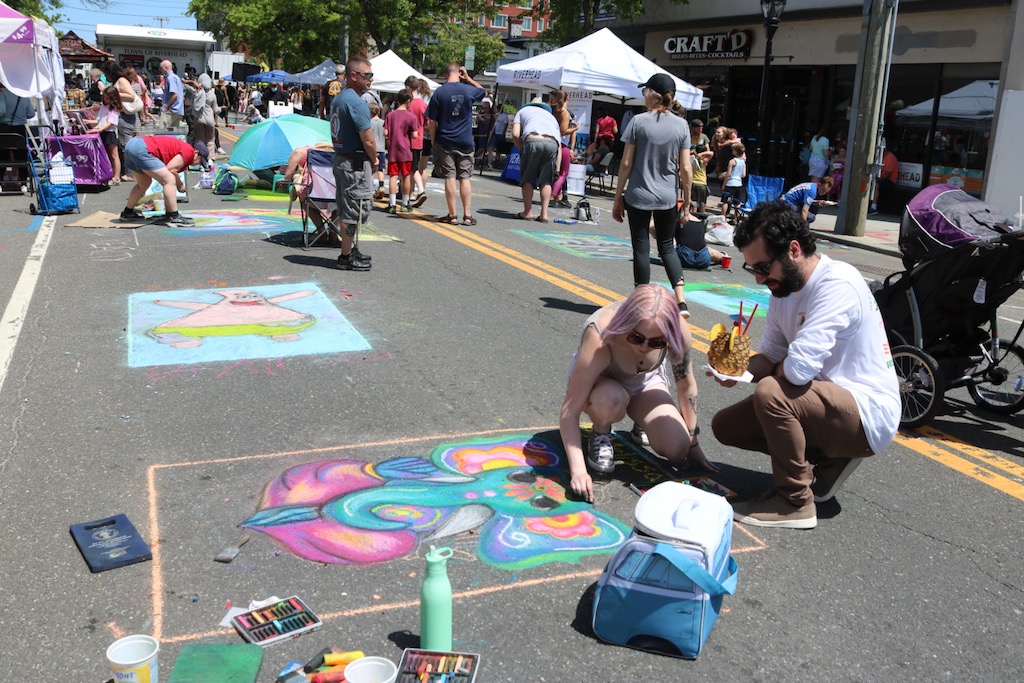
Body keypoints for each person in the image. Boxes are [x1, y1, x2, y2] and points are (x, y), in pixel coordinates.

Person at [709, 200, 900, 529]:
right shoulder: (783, 290)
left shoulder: (836, 284)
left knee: (772, 392)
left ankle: (794, 501)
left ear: (793, 250)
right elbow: (770, 354)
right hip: (824, 402)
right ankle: (828, 458)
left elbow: (796, 371)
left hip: (869, 411)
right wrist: (736, 372)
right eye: (751, 269)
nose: (758, 279)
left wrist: (767, 373)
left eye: (763, 267)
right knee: (726, 426)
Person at [559, 284, 716, 503]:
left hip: (646, 382)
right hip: (602, 386)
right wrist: (578, 470)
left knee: (677, 448)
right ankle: (601, 432)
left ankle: (642, 422)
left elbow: (686, 386)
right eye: (636, 337)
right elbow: (569, 410)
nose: (644, 347)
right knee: (613, 398)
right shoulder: (601, 335)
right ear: (626, 324)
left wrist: (693, 443)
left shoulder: (679, 331)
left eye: (657, 342)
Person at [612, 73, 694, 319]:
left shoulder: (637, 122)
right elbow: (686, 168)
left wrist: (618, 196)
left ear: (651, 94)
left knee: (641, 246)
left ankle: (642, 301)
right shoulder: (682, 125)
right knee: (667, 246)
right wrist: (687, 203)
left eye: (644, 91)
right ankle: (681, 302)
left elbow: (626, 163)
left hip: (638, 194)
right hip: (667, 196)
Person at [330, 56, 377, 271]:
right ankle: (346, 256)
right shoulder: (356, 102)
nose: (371, 79)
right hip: (353, 163)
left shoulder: (340, 98)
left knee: (348, 207)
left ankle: (350, 249)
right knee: (353, 210)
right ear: (353, 76)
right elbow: (367, 138)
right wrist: (375, 158)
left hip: (342, 159)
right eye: (367, 75)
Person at [425, 63, 486, 226]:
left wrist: (433, 140)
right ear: (459, 73)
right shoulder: (468, 89)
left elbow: (431, 121)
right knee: (465, 178)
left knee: (450, 177)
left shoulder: (439, 92)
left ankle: (452, 215)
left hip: (445, 140)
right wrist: (468, 78)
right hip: (465, 140)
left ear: (445, 75)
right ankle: (467, 215)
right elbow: (483, 92)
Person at [120, 136, 208, 227]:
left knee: (143, 184)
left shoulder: (183, 148)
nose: (198, 164)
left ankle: (128, 212)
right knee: (169, 180)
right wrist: (180, 185)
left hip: (132, 145)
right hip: (142, 147)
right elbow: (171, 169)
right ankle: (174, 216)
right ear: (196, 153)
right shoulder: (189, 151)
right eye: (200, 161)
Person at [510, 100, 561, 223]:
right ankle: (544, 214)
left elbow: (515, 134)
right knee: (546, 180)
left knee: (528, 177)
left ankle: (527, 212)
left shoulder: (522, 111)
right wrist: (557, 169)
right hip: (552, 143)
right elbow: (559, 144)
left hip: (532, 140)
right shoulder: (551, 117)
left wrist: (523, 149)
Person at [383, 91, 420, 213]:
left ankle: (392, 203)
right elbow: (415, 135)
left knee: (393, 176)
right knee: (406, 176)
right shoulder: (411, 117)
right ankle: (405, 203)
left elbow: (385, 133)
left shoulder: (390, 115)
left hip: (393, 150)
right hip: (406, 150)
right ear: (408, 101)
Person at [0, 83, 35, 193]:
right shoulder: (24, 95)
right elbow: (31, 114)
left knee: (2, 157)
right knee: (21, 157)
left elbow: (2, 111)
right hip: (20, 129)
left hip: (4, 128)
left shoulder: (3, 94)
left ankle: (0, 182)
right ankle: (23, 183)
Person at [548, 90, 578, 209]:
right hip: (562, 144)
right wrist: (575, 128)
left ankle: (557, 195)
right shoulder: (564, 113)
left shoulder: (553, 111)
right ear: (567, 99)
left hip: (553, 142)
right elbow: (564, 131)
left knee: (556, 172)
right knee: (563, 173)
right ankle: (553, 195)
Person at [404, 76, 429, 207]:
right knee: (415, 168)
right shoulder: (423, 104)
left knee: (407, 170)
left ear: (408, 87)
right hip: (419, 139)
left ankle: (411, 194)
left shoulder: (406, 104)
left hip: (405, 140)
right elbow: (427, 123)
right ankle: (415, 192)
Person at [721, 142, 747, 222]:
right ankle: (736, 219)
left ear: (735, 151)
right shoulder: (743, 162)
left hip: (730, 182)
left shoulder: (732, 161)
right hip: (739, 183)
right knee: (737, 203)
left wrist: (724, 184)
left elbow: (728, 174)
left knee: (725, 201)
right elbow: (743, 175)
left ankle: (722, 218)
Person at [870, 144, 899, 215]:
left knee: (876, 185)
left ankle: (873, 207)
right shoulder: (879, 157)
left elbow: (887, 174)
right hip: (879, 178)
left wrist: (877, 180)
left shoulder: (890, 157)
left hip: (889, 180)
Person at [159, 60, 184, 130]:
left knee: (162, 131)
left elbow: (174, 95)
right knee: (173, 133)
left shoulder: (170, 78)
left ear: (165, 68)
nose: (160, 70)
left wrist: (166, 107)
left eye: (161, 68)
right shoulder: (176, 77)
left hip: (171, 110)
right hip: (178, 110)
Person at [369, 103, 386, 199]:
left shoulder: (369, 122)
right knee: (380, 169)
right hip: (381, 147)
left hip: (373, 148)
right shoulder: (383, 122)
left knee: (371, 170)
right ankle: (381, 185)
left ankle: (371, 188)